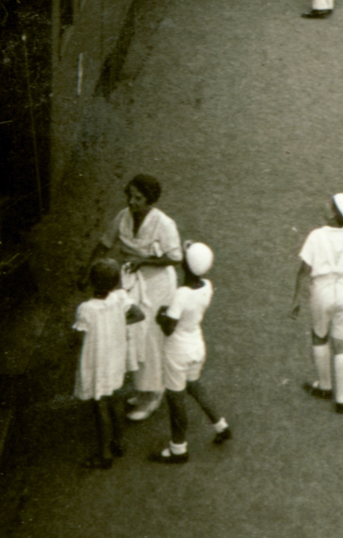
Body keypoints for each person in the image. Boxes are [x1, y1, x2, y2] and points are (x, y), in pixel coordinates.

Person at [97, 174, 182, 422]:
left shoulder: (164, 224)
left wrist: (143, 260)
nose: (132, 202)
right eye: (129, 196)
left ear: (150, 201)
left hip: (158, 286)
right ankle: (143, 388)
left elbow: (175, 257)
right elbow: (105, 243)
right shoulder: (123, 217)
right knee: (133, 335)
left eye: (138, 198)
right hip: (132, 283)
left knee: (150, 338)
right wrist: (89, 269)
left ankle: (152, 394)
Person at [152, 243, 230, 463]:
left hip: (178, 351)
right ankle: (220, 426)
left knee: (176, 400)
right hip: (196, 345)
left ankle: (178, 449)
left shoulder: (181, 294)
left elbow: (168, 328)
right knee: (195, 386)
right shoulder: (207, 285)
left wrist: (161, 315)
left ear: (185, 266)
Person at [292, 194, 343, 413]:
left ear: (334, 214)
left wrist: (296, 298)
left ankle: (325, 385)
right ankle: (342, 398)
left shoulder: (316, 236)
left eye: (330, 205)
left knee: (319, 335)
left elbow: (304, 270)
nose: (326, 205)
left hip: (321, 291)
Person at [73, 259, 145, 468]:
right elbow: (139, 314)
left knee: (100, 406)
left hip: (97, 362)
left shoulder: (85, 309)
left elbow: (78, 339)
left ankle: (104, 454)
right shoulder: (121, 298)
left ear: (93, 282)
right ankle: (119, 442)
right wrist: (118, 324)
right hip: (116, 357)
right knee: (116, 400)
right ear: (115, 283)